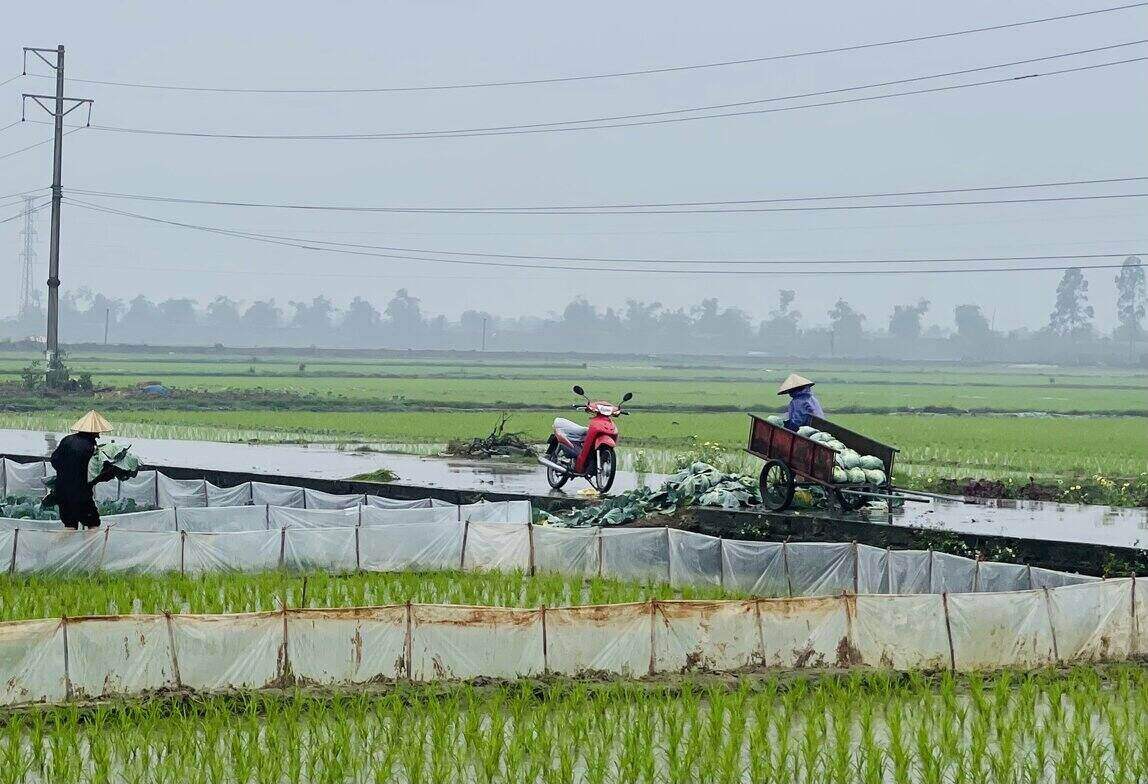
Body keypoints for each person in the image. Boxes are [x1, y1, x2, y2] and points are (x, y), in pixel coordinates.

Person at [49, 410, 113, 530]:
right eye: (97, 432)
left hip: (61, 490)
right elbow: (97, 474)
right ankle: (92, 549)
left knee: (70, 526)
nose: (98, 435)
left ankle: (53, 547)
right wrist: (111, 471)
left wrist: (65, 473)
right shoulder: (92, 448)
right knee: (93, 524)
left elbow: (54, 460)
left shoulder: (66, 440)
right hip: (80, 493)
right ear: (95, 433)